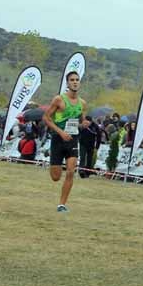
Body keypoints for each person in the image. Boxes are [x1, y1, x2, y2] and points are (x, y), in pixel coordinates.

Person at [42, 71, 86, 213]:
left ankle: (62, 205)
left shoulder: (82, 103)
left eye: (77, 80)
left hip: (73, 140)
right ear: (67, 83)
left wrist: (84, 124)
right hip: (58, 139)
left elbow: (81, 120)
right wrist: (60, 132)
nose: (75, 82)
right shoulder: (59, 100)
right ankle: (53, 159)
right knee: (56, 177)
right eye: (72, 80)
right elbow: (46, 118)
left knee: (71, 172)